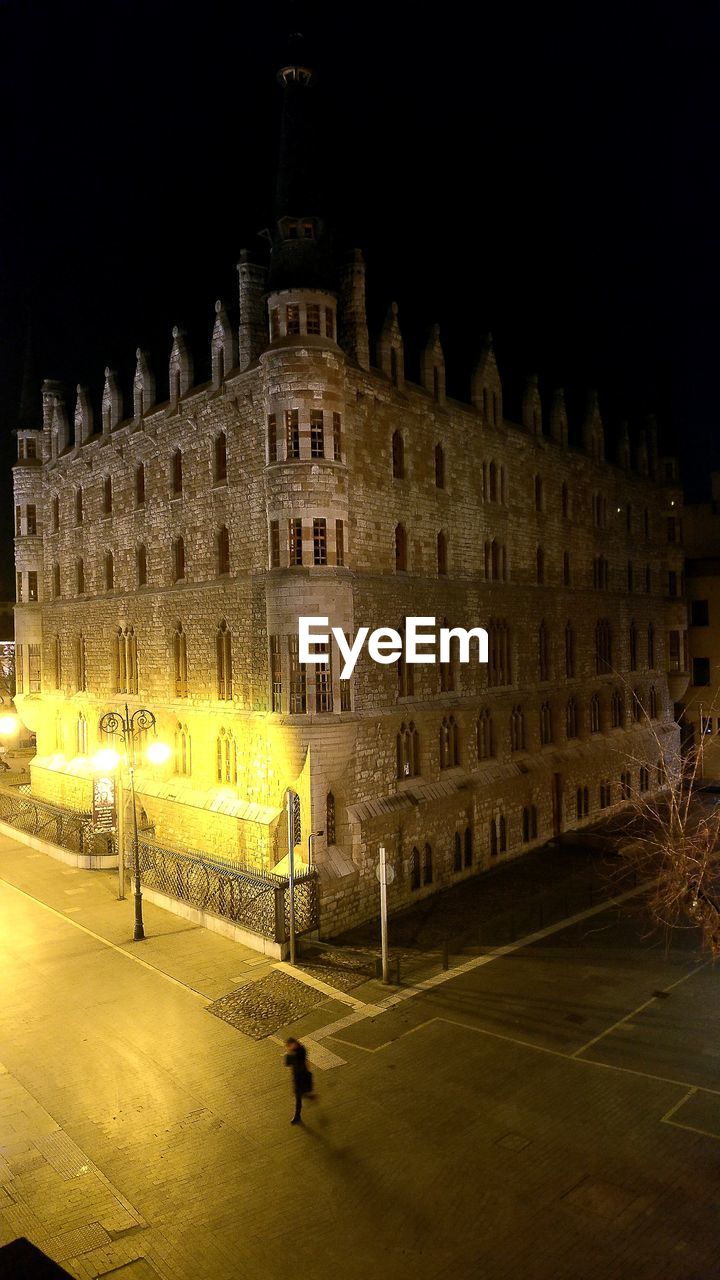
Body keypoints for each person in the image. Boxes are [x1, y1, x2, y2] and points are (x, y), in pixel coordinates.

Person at [285, 1037, 313, 1124]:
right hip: (297, 1077)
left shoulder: (301, 1050)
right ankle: (306, 1095)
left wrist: (292, 1053)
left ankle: (297, 1116)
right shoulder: (293, 1053)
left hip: (302, 1076)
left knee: (298, 1097)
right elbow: (287, 1063)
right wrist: (289, 1053)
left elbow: (299, 1060)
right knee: (299, 1094)